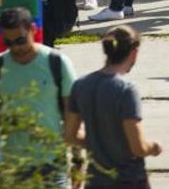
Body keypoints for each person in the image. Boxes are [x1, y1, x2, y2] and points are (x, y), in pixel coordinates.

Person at [0, 7, 77, 183]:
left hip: (53, 161)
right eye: (8, 43)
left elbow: (73, 113)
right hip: (12, 164)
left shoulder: (56, 62)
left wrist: (78, 159)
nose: (16, 47)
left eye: (20, 40)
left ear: (33, 30)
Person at [66, 27, 162, 187]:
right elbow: (138, 147)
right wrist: (154, 147)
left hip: (95, 180)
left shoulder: (80, 86)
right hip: (128, 180)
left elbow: (70, 136)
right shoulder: (126, 90)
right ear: (134, 52)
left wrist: (98, 141)